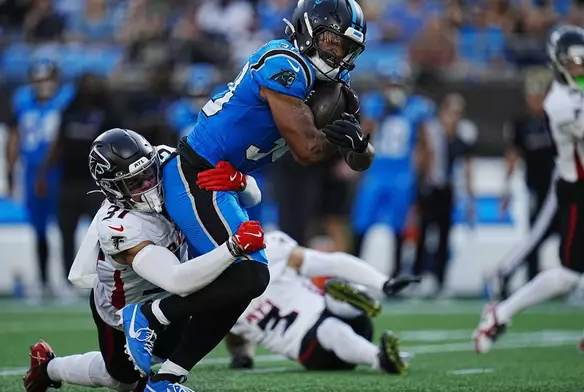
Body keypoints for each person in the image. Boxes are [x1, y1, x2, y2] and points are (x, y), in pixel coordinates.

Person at [119, 2, 376, 391]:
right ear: (309, 30)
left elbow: (359, 159)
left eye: (346, 47)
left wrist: (359, 144)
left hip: (223, 181)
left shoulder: (329, 86)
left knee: (247, 282)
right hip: (197, 173)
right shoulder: (283, 62)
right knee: (249, 275)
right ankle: (152, 315)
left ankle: (171, 374)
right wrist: (337, 142)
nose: (337, 53)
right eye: (331, 41)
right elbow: (308, 150)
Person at [23, 129, 266, 392]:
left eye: (149, 175)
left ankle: (168, 378)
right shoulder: (118, 226)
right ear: (112, 188)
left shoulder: (166, 161)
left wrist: (242, 183)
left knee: (240, 283)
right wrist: (232, 246)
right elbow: (177, 280)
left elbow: (252, 196)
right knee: (123, 380)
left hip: (171, 296)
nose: (149, 186)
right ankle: (48, 368)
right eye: (135, 183)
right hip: (124, 306)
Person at [473, 25, 584, 354]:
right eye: (574, 60)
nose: (579, 66)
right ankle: (501, 311)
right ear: (558, 62)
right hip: (577, 191)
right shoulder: (560, 102)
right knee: (567, 276)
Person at [226, 230, 420, 374]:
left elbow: (332, 263)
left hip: (339, 316)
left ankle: (357, 302)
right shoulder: (222, 299)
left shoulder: (268, 253)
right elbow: (233, 334)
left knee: (335, 294)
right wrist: (243, 356)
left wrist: (383, 283)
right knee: (329, 328)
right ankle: (379, 357)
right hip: (312, 350)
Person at [36, 73, 118, 294]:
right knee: (66, 233)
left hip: (98, 185)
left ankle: (108, 280)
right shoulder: (69, 112)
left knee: (105, 234)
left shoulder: (109, 113)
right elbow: (58, 144)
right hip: (69, 182)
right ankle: (67, 282)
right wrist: (43, 174)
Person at [351, 64, 435, 275]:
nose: (394, 88)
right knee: (361, 222)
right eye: (390, 84)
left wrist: (424, 171)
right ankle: (352, 270)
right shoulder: (375, 105)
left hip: (403, 175)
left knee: (399, 226)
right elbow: (362, 133)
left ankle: (396, 272)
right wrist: (381, 114)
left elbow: (425, 143)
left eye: (397, 84)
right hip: (377, 173)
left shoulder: (416, 108)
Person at [6, 60, 75, 299]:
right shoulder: (23, 101)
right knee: (38, 229)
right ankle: (44, 280)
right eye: (39, 80)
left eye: (47, 79)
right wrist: (10, 168)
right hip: (31, 171)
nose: (43, 85)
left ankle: (67, 280)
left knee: (64, 226)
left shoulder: (65, 100)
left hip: (59, 172)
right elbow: (14, 134)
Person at [495, 70, 557, 299]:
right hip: (536, 187)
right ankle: (514, 275)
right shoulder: (522, 124)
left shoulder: (554, 119)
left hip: (559, 187)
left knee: (560, 235)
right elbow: (513, 155)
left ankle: (561, 280)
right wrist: (506, 187)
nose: (536, 99)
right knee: (535, 237)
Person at [414, 93, 477, 297]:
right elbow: (421, 156)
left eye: (458, 112)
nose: (455, 116)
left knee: (444, 235)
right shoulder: (431, 130)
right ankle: (418, 277)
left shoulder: (463, 134)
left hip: (448, 189)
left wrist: (470, 194)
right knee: (423, 233)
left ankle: (441, 281)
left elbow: (466, 165)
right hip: (430, 187)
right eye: (452, 111)